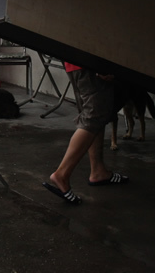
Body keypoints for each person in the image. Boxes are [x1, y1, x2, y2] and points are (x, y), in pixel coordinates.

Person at [42, 63, 129, 205]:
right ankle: (62, 174)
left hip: (76, 64)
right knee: (94, 116)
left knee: (96, 115)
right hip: (88, 65)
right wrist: (99, 66)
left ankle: (98, 171)